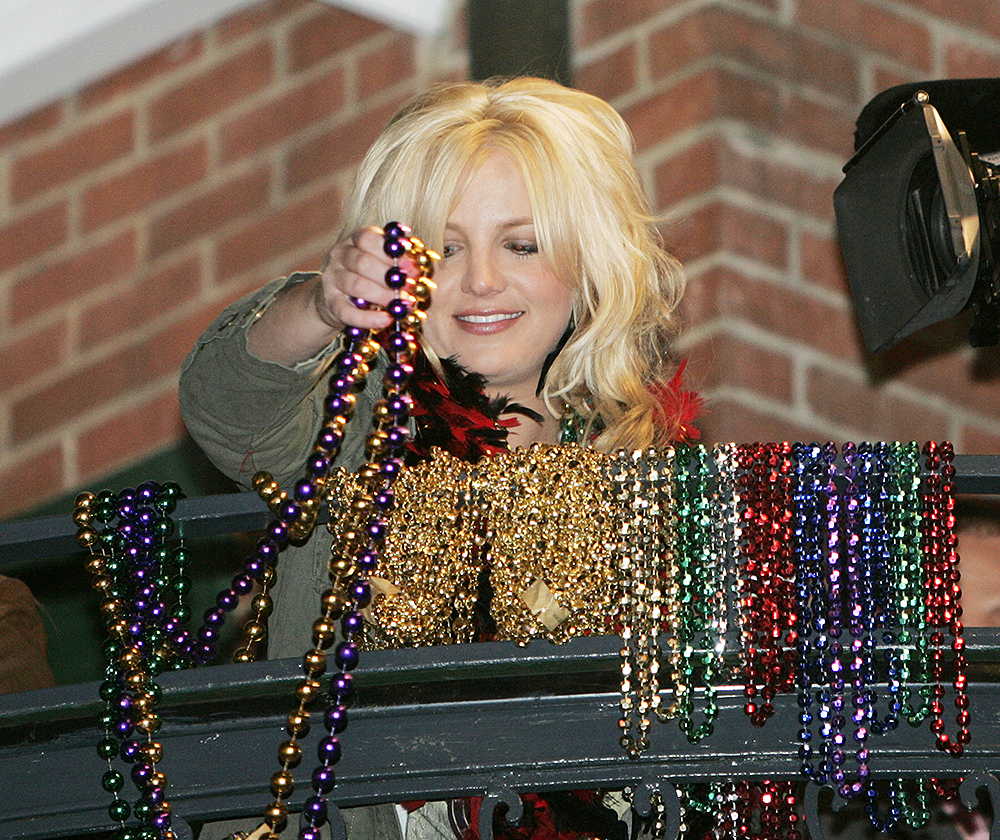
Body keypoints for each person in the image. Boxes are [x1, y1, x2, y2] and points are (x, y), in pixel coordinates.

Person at [180, 76, 699, 840]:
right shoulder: (352, 421)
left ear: (590, 264)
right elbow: (226, 404)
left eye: (521, 244)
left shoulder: (647, 479)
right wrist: (322, 306)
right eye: (444, 249)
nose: (482, 279)